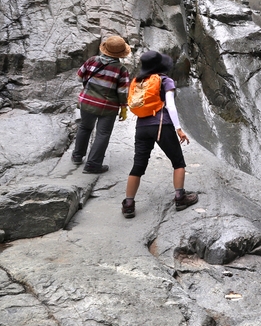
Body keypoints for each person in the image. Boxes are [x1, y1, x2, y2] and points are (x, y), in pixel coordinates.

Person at [122, 50, 198, 218]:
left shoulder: (139, 81)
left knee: (138, 166)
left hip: (141, 127)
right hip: (162, 125)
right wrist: (178, 128)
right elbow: (170, 106)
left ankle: (128, 204)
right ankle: (180, 197)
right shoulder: (165, 80)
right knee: (178, 162)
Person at [73, 35, 132, 174]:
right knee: (103, 134)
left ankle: (77, 156)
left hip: (87, 102)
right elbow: (123, 92)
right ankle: (93, 165)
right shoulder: (121, 69)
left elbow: (78, 77)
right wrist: (124, 107)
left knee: (85, 127)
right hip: (108, 107)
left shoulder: (91, 61)